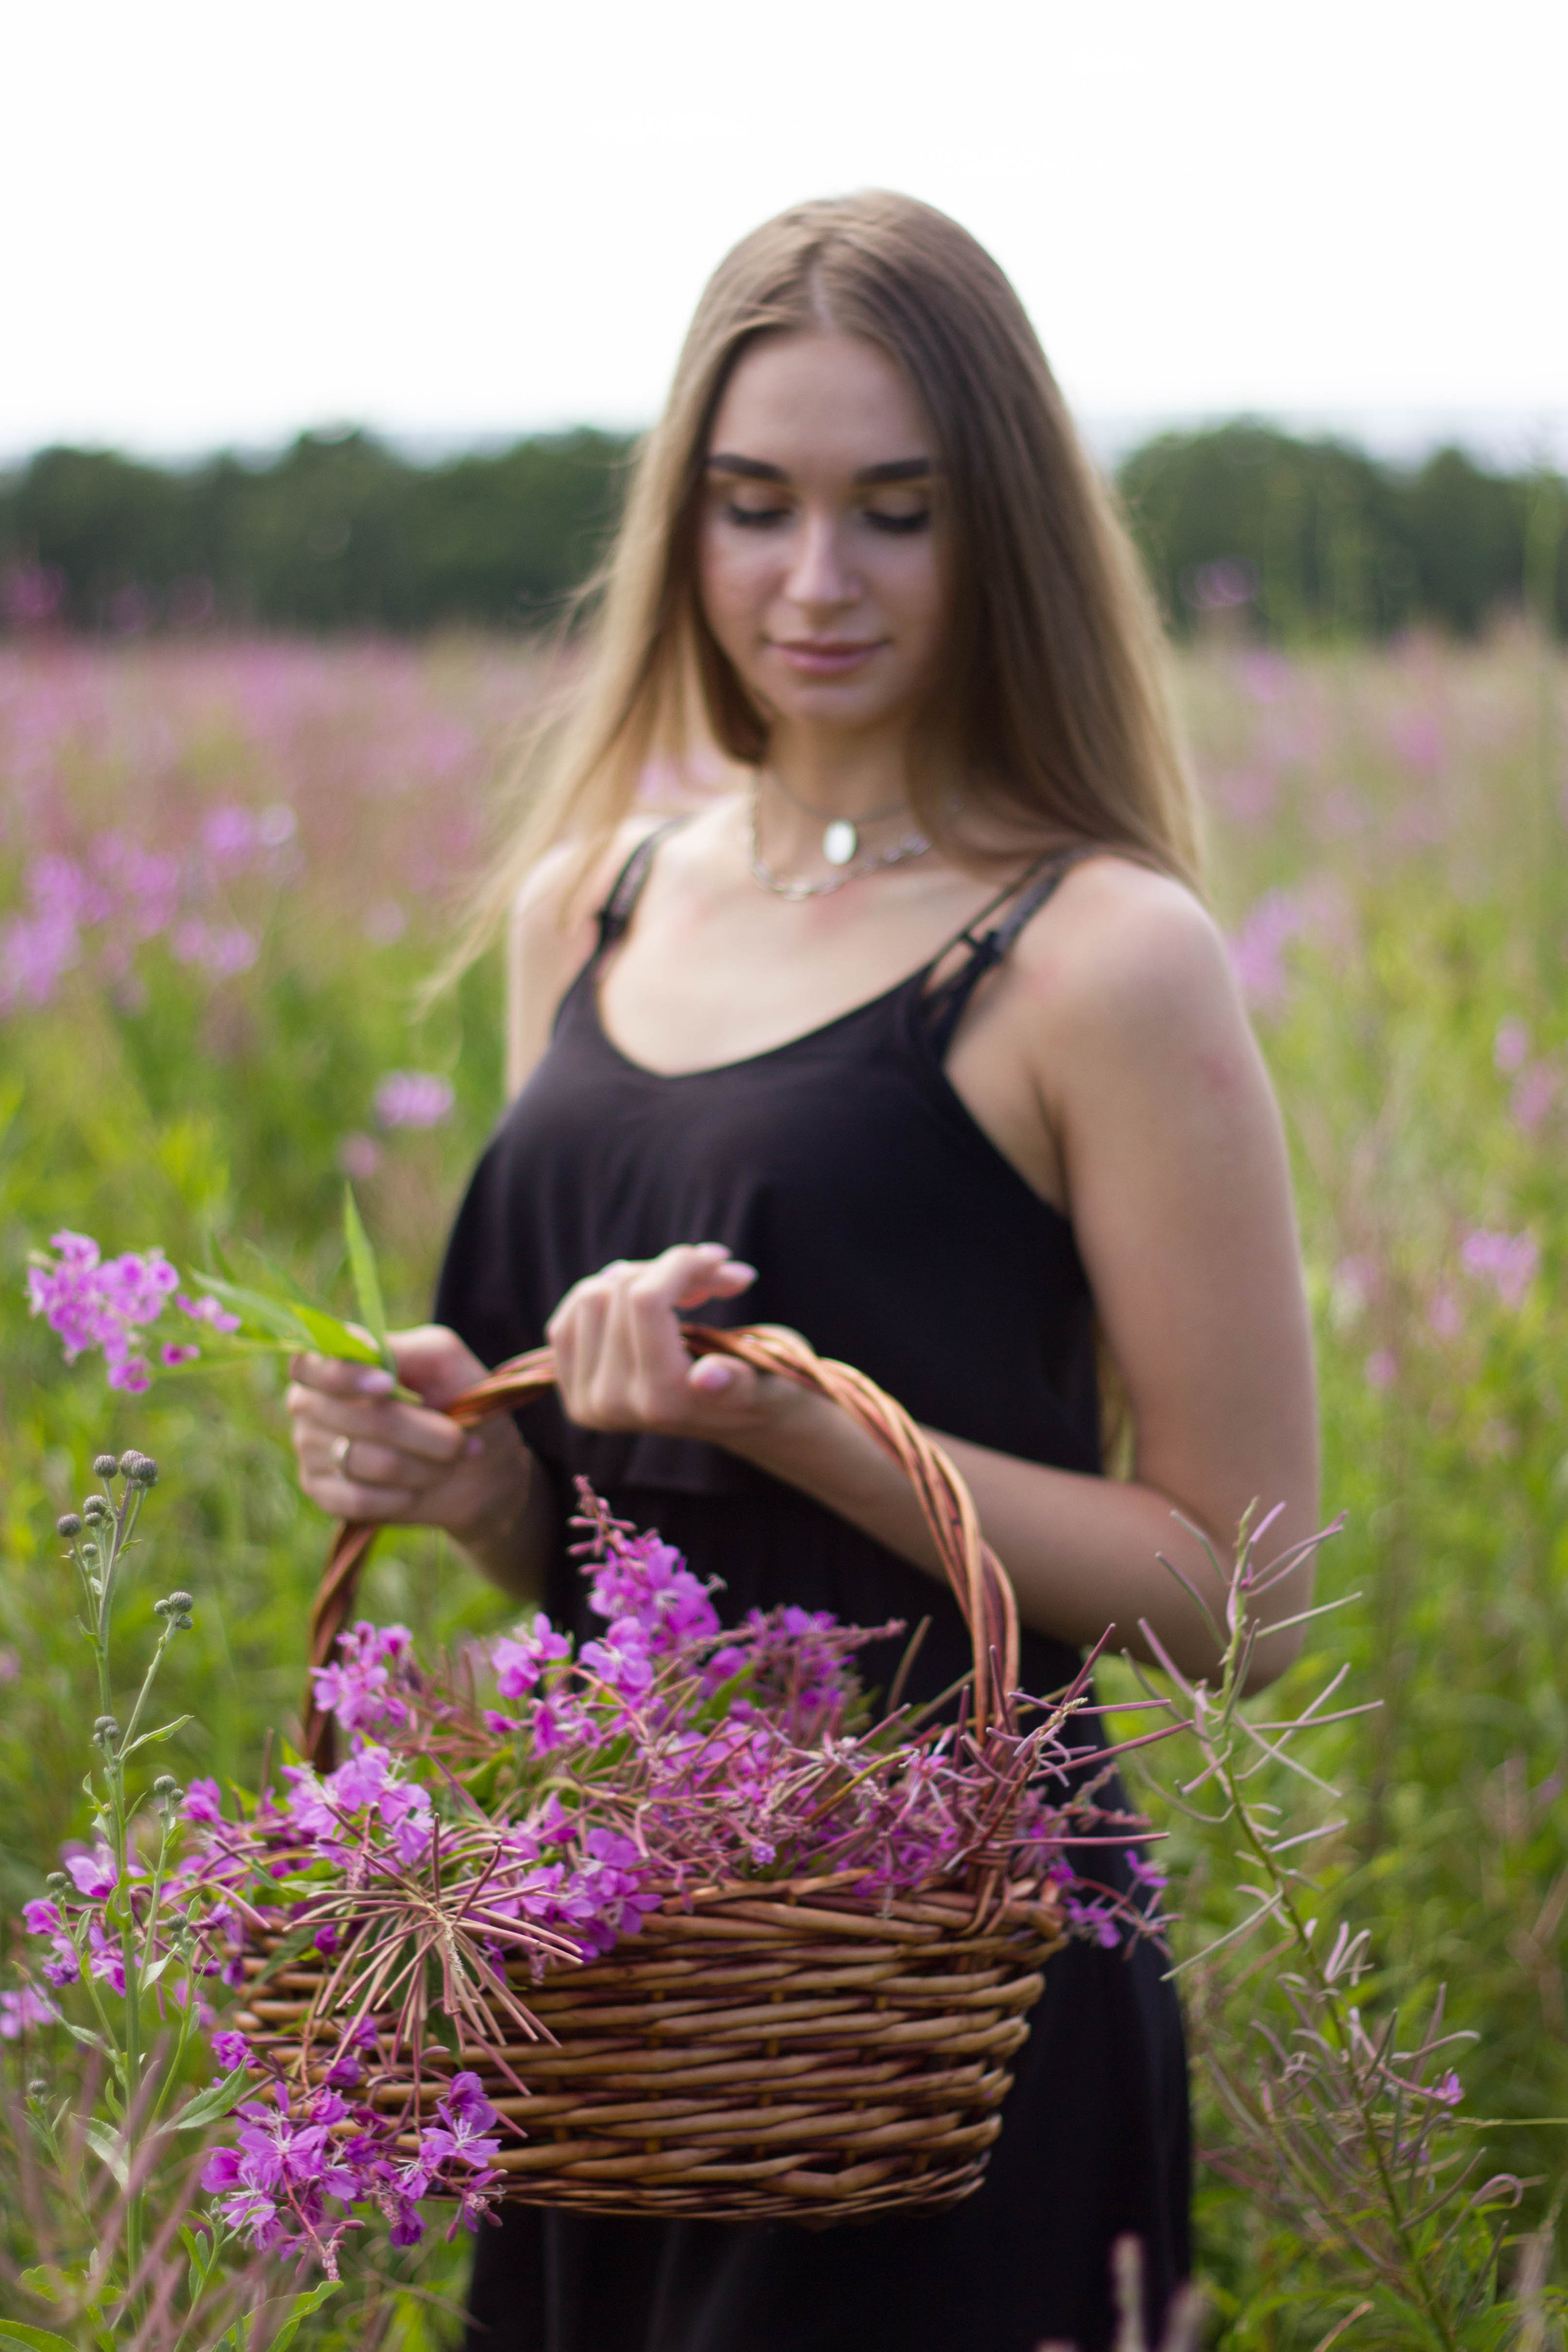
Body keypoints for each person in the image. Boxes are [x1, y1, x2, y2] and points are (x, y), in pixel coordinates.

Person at [286, 191, 1319, 2352]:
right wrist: (471, 1487)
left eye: (896, 513)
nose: (814, 581)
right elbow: (606, 1554)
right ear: (685, 519)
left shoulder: (1099, 954)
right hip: (631, 1989)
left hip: (938, 2005)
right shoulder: (595, 902)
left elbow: (1244, 1596)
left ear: (1002, 530)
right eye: (754, 507)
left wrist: (816, 1432)